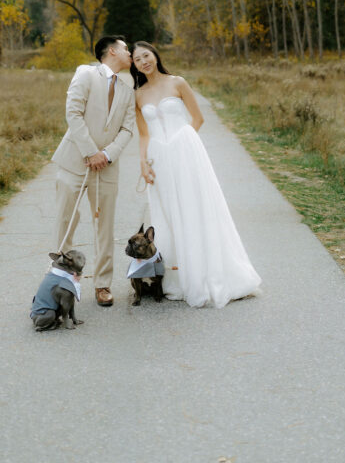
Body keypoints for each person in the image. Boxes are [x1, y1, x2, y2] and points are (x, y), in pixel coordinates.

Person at [131, 41, 261, 308]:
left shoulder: (177, 83)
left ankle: (206, 273)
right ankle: (176, 278)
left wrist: (183, 147)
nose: (143, 61)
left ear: (155, 56)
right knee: (167, 214)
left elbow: (197, 118)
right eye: (137, 59)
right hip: (159, 160)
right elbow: (144, 134)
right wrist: (143, 163)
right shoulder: (139, 95)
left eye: (146, 55)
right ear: (133, 65)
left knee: (194, 209)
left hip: (185, 156)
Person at [52, 34, 135, 307]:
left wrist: (107, 155)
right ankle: (62, 282)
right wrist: (91, 152)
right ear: (111, 51)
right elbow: (73, 113)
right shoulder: (86, 74)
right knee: (66, 221)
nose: (130, 52)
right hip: (75, 161)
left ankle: (102, 285)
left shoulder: (126, 90)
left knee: (105, 227)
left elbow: (127, 129)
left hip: (107, 169)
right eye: (126, 48)